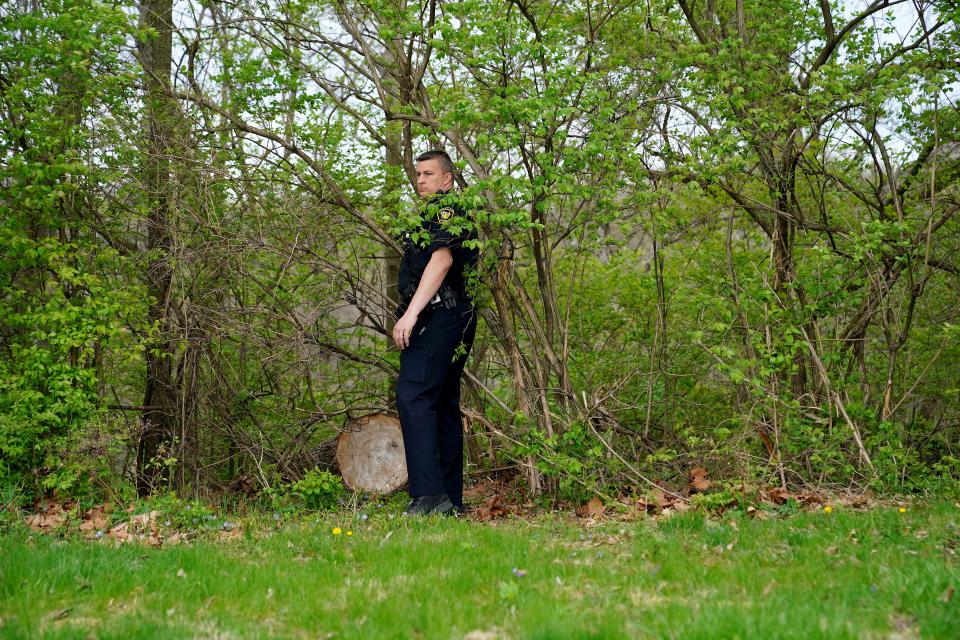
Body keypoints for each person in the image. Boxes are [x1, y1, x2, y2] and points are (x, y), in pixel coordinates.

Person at [393, 150, 478, 516]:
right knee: (441, 404)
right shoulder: (429, 216)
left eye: (429, 173)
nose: (421, 180)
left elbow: (442, 260)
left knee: (413, 395)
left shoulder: (449, 212)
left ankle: (428, 496)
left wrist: (411, 315)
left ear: (447, 179)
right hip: (453, 315)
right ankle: (448, 500)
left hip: (441, 315)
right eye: (418, 174)